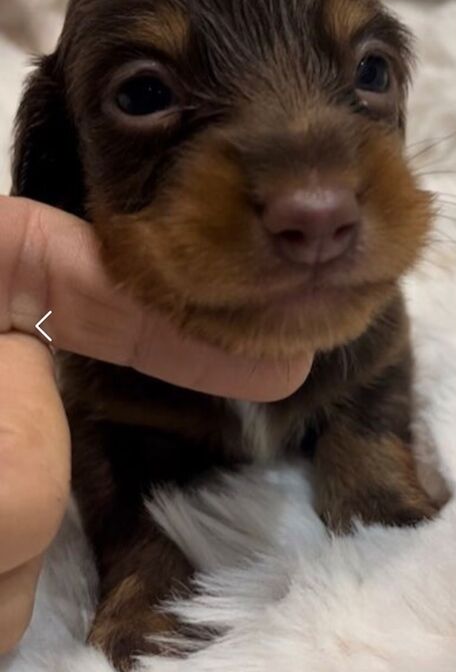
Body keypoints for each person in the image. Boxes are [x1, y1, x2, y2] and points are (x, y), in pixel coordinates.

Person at [0, 194, 311, 654]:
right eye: (143, 113)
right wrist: (138, 572)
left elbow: (378, 382)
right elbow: (101, 439)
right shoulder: (79, 334)